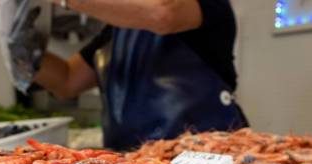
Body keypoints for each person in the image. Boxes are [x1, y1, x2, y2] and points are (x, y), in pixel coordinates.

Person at [34, 0, 248, 150]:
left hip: (206, 159)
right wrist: (22, 47)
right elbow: (67, 80)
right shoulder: (114, 31)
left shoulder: (204, 5)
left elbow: (164, 13)